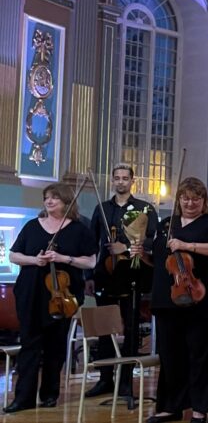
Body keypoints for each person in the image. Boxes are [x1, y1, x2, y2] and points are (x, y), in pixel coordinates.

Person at [5, 184, 97, 413]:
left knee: (55, 346)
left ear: (66, 201)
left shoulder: (79, 230)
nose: (49, 201)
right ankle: (23, 398)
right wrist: (34, 261)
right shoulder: (32, 226)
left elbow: (91, 261)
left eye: (55, 198)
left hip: (63, 296)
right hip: (31, 292)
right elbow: (14, 255)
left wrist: (64, 258)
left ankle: (49, 394)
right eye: (47, 197)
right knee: (29, 345)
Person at [148, 178, 208, 423]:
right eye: (185, 198)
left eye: (196, 198)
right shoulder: (167, 224)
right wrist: (141, 254)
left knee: (200, 355)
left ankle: (199, 409)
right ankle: (171, 407)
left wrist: (188, 245)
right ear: (179, 199)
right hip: (168, 299)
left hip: (201, 300)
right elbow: (158, 260)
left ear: (204, 201)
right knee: (170, 356)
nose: (190, 203)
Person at [85, 164, 157, 399]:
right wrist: (89, 276)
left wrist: (125, 247)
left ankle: (126, 380)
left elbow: (150, 243)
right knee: (104, 329)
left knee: (131, 329)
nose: (120, 182)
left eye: (125, 178)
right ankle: (105, 379)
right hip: (105, 275)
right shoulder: (102, 209)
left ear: (132, 181)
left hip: (133, 276)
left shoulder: (145, 208)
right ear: (112, 181)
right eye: (116, 178)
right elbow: (91, 244)